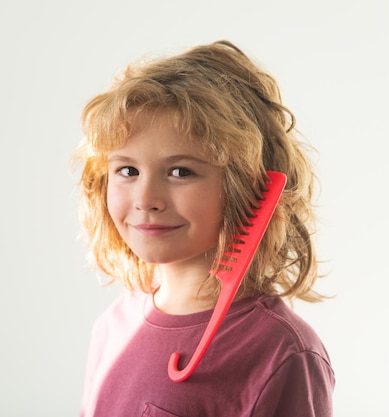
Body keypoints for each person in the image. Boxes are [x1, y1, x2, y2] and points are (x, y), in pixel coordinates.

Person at [73, 40, 335, 417]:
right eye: (127, 170)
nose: (146, 198)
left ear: (250, 189)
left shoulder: (281, 352)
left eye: (181, 171)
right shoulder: (113, 327)